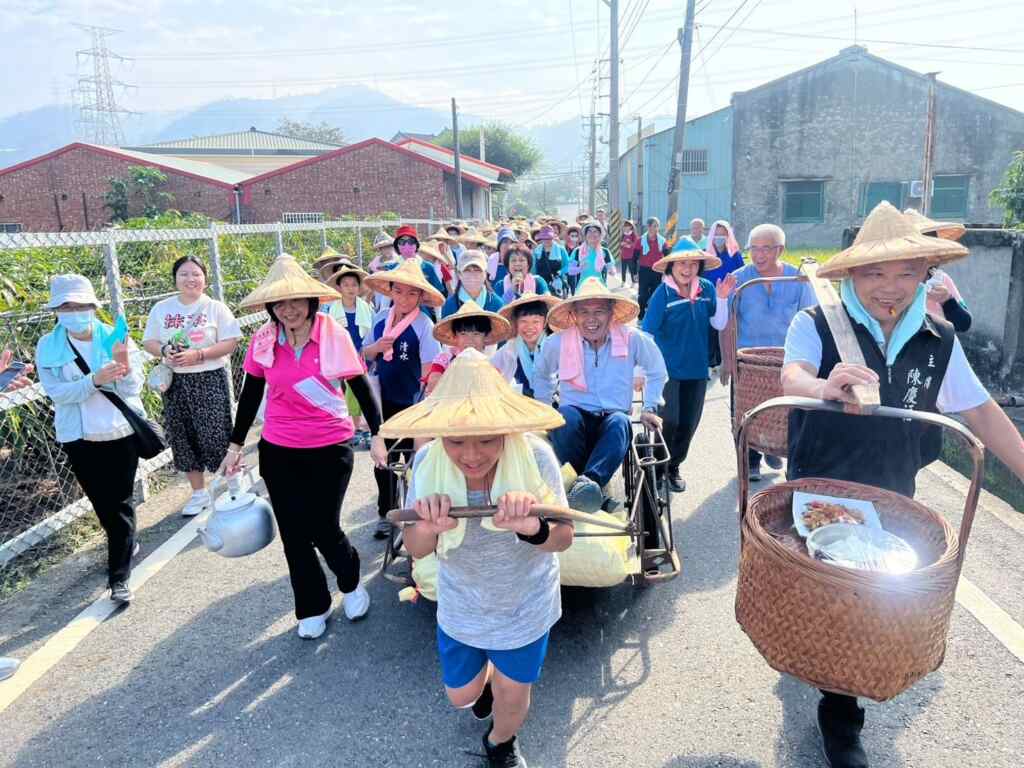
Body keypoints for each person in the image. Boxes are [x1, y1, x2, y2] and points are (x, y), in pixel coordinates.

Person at [780, 202, 1024, 768]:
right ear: (852, 276)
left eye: (906, 272)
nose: (889, 287)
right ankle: (840, 720)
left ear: (925, 275)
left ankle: (839, 691)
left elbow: (980, 412)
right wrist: (824, 386)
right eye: (874, 273)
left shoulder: (939, 338)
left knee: (877, 599)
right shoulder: (815, 324)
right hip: (826, 486)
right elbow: (792, 375)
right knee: (839, 597)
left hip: (894, 489)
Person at [384, 349, 572, 768]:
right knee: (462, 696)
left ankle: (501, 742)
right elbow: (416, 550)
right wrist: (429, 527)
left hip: (525, 603)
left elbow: (563, 537)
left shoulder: (537, 458)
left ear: (507, 430)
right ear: (440, 433)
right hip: (462, 603)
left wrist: (533, 527)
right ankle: (484, 684)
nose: (471, 454)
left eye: (487, 438)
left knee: (513, 693)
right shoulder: (428, 464)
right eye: (456, 439)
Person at [220, 255, 385, 638]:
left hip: (330, 445)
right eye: (279, 303)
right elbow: (251, 394)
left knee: (324, 526)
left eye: (295, 301)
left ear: (311, 301)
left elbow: (360, 385)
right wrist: (235, 445)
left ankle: (350, 582)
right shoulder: (264, 339)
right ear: (270, 308)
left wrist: (378, 433)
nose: (288, 309)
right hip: (279, 448)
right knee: (294, 533)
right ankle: (312, 605)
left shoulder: (332, 334)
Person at [36, 274, 146, 604]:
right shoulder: (48, 346)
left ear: (93, 307)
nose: (74, 311)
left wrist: (124, 368)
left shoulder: (115, 336)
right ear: (56, 311)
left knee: (121, 505)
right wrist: (94, 380)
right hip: (79, 437)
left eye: (80, 305)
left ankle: (119, 578)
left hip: (119, 432)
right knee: (104, 506)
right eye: (66, 306)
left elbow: (133, 389)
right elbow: (57, 392)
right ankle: (124, 543)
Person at [534, 278, 668, 512]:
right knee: (564, 415)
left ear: (611, 313)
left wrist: (649, 407)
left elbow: (657, 369)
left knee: (620, 421)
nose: (591, 319)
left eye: (599, 311)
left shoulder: (631, 338)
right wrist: (544, 408)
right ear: (574, 316)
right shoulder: (557, 343)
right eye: (584, 312)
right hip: (574, 419)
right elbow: (542, 375)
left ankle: (587, 485)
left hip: (612, 419)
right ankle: (586, 489)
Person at [143, 256, 241, 517]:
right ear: (175, 279)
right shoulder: (161, 309)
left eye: (196, 274)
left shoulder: (215, 308)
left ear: (205, 279)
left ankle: (234, 484)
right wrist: (164, 350)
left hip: (208, 378)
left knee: (217, 433)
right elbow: (149, 342)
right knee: (183, 436)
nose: (190, 279)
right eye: (184, 274)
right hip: (175, 383)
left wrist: (199, 355)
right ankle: (199, 493)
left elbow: (230, 342)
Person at [726, 223, 817, 481]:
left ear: (780, 249)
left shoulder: (796, 279)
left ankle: (776, 449)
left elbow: (810, 315)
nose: (758, 254)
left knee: (785, 412)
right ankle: (751, 459)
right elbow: (727, 319)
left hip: (787, 359)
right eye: (754, 248)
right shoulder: (740, 278)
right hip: (749, 359)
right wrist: (729, 359)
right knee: (746, 410)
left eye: (765, 248)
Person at [362, 259, 445, 539]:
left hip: (411, 402)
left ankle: (413, 513)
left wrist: (422, 409)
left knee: (412, 463)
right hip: (382, 401)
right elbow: (365, 355)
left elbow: (428, 371)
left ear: (421, 297)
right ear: (391, 292)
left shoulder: (424, 325)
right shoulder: (378, 320)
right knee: (383, 463)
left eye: (412, 294)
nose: (405, 299)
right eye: (399, 292)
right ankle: (386, 513)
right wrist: (377, 347)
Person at [641, 239, 733, 492]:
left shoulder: (705, 288)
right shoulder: (663, 294)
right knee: (668, 420)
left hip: (696, 368)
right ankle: (658, 468)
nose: (687, 268)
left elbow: (718, 323)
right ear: (671, 266)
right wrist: (639, 370)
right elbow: (647, 334)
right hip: (666, 371)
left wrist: (722, 298)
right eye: (682, 263)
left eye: (693, 263)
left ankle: (673, 467)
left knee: (689, 422)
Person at [903, 208, 973, 333]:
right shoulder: (888, 281)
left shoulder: (940, 280)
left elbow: (963, 324)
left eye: (930, 249)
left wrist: (947, 300)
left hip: (936, 348)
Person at [327, 260, 375, 445]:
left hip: (363, 353)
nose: (350, 288)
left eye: (354, 284)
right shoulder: (333, 309)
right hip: (343, 355)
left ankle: (365, 428)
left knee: (366, 390)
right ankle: (357, 427)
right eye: (345, 284)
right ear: (339, 287)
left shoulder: (365, 307)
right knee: (351, 392)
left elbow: (371, 332)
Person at [424, 300, 512, 396]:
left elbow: (499, 388)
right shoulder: (445, 359)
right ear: (455, 336)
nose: (470, 340)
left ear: (485, 336)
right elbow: (434, 381)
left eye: (476, 334)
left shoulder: (491, 362)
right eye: (463, 334)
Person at [491, 293, 561, 399]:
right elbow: (490, 368)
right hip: (521, 405)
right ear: (516, 323)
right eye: (523, 321)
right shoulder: (511, 348)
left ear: (545, 323)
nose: (529, 327)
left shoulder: (556, 345)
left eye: (535, 322)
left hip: (553, 402)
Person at [703, 220, 745, 369]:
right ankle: (710, 361)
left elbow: (741, 274)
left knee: (728, 329)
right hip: (710, 297)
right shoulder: (705, 254)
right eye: (717, 234)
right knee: (711, 329)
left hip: (730, 297)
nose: (719, 238)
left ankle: (726, 360)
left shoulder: (734, 254)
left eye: (723, 235)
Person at [386, 224, 446, 298]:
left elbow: (436, 293)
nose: (406, 245)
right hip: (398, 305)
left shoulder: (427, 267)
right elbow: (387, 294)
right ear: (397, 246)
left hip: (423, 307)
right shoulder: (392, 267)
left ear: (416, 245)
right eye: (402, 242)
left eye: (411, 241)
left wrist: (436, 309)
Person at [441, 250, 505, 319]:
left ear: (485, 273)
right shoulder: (449, 305)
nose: (472, 275)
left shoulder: (497, 304)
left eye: (477, 270)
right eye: (467, 270)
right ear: (459, 274)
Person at [637, 216, 668, 318]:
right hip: (644, 270)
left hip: (657, 270)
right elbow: (635, 256)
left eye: (655, 226)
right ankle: (641, 314)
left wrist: (667, 271)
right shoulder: (640, 240)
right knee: (643, 294)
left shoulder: (662, 241)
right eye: (651, 226)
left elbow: (667, 256)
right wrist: (633, 272)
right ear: (648, 227)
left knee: (655, 294)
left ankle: (652, 314)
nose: (653, 228)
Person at [569, 220, 615, 286]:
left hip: (599, 286)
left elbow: (611, 268)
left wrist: (611, 270)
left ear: (600, 235)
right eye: (589, 231)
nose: (592, 234)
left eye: (595, 231)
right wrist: (579, 268)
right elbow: (570, 271)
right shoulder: (577, 251)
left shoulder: (604, 251)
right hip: (583, 286)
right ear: (585, 235)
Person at [532, 226, 569, 298]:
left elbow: (568, 266)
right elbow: (533, 269)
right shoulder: (536, 251)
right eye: (544, 238)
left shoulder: (561, 250)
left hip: (558, 284)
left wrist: (560, 272)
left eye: (549, 238)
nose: (546, 240)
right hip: (541, 285)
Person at [619, 219, 639, 287]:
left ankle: (633, 282)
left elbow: (635, 244)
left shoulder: (633, 235)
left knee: (631, 269)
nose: (626, 227)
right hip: (623, 255)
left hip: (631, 255)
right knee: (623, 269)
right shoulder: (623, 235)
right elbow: (620, 244)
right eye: (625, 226)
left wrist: (628, 245)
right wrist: (621, 245)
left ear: (631, 227)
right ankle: (623, 281)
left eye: (628, 225)